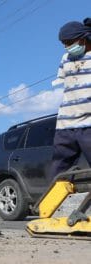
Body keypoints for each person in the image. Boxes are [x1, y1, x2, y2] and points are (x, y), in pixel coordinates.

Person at [49, 18, 91, 180]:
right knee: (59, 170)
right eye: (64, 44)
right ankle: (56, 202)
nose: (67, 47)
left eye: (69, 42)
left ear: (83, 38)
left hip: (88, 123)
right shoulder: (65, 59)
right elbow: (63, 81)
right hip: (65, 124)